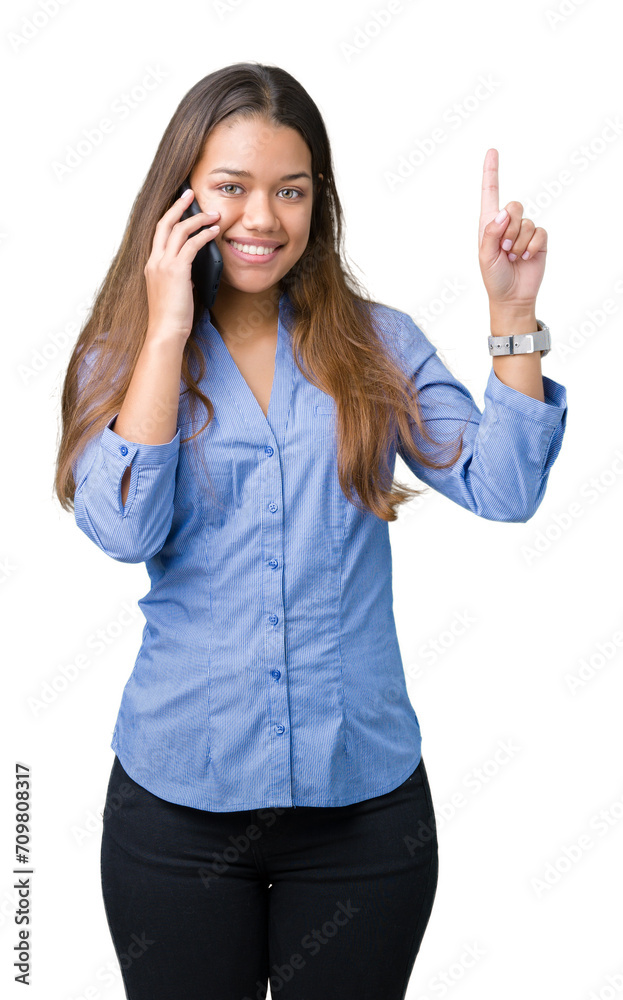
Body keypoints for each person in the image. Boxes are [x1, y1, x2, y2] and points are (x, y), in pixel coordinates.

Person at [55, 61, 568, 1000]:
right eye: (231, 187)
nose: (261, 218)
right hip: (178, 812)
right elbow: (123, 531)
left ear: (317, 201)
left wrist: (511, 311)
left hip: (361, 815)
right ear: (181, 195)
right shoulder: (121, 357)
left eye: (289, 190)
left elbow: (502, 488)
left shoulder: (376, 342)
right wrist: (166, 331)